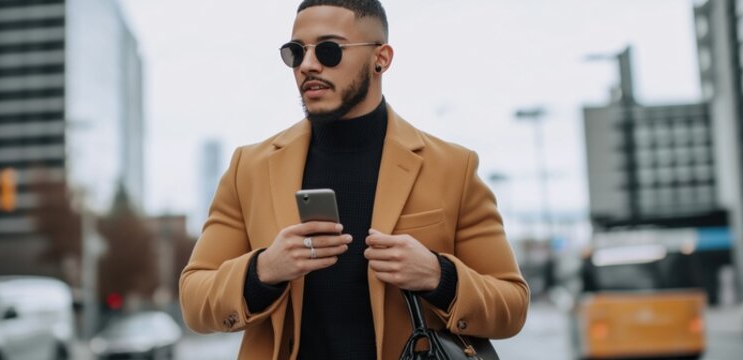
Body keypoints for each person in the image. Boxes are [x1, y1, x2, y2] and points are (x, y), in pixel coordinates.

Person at [179, 1, 528, 358]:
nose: (308, 65)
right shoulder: (248, 168)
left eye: (330, 50)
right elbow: (194, 298)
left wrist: (439, 277)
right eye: (295, 52)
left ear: (382, 58)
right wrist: (263, 270)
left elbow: (512, 306)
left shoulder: (453, 167)